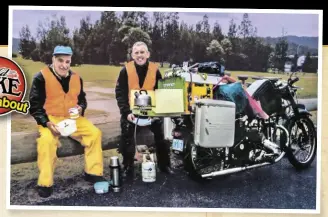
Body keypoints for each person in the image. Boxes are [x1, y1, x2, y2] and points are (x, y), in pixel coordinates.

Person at [29, 45, 105, 198]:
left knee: (94, 133)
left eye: (67, 61)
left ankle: (93, 172)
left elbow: (82, 100)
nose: (64, 65)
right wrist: (47, 123)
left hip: (72, 119)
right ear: (53, 60)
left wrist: (80, 108)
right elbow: (35, 106)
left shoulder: (77, 77)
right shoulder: (41, 77)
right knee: (46, 142)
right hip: (50, 119)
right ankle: (45, 183)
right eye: (60, 61)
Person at [115, 41, 174, 179]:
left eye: (142, 52)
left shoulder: (155, 70)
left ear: (147, 54)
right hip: (132, 113)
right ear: (132, 55)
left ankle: (165, 165)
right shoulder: (125, 70)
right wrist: (126, 113)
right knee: (127, 135)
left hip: (151, 113)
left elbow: (160, 92)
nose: (139, 55)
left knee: (163, 134)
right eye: (136, 52)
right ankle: (128, 166)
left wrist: (157, 113)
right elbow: (120, 93)